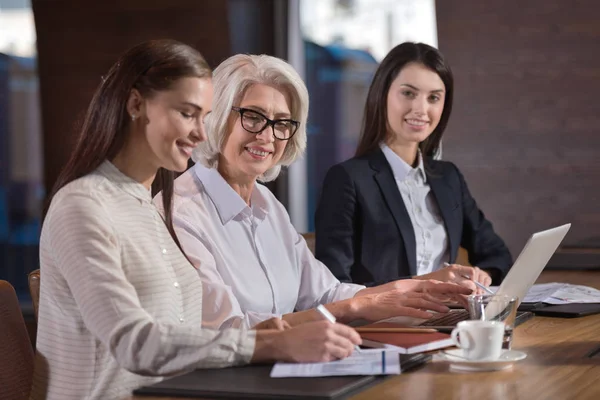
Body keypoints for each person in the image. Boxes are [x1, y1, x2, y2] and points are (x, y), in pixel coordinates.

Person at [30, 40, 364, 400]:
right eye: (188, 114)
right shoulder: (83, 206)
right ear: (136, 105)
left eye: (204, 117)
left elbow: (191, 331)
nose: (203, 134)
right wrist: (272, 343)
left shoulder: (144, 205)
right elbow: (136, 344)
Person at [159, 53, 471, 331]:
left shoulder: (267, 205)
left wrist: (411, 290)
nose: (268, 136)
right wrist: (354, 307)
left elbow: (326, 293)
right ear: (215, 115)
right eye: (252, 117)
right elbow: (228, 329)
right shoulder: (180, 213)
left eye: (282, 122)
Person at [315, 42, 512, 292]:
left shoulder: (447, 177)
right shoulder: (348, 179)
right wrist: (425, 286)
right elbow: (334, 287)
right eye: (408, 93)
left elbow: (497, 254)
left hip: (449, 317)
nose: (421, 109)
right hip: (385, 326)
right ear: (382, 93)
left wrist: (482, 276)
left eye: (433, 98)